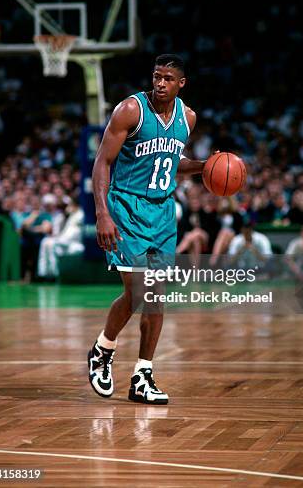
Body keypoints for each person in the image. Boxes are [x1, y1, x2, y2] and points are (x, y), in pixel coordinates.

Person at [88, 54, 204, 405]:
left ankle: (143, 374)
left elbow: (170, 162)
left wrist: (204, 166)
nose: (160, 83)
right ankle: (103, 350)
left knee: (155, 295)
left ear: (181, 83)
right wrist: (102, 213)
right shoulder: (130, 110)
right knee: (138, 290)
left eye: (168, 78)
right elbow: (102, 162)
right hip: (126, 207)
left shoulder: (188, 117)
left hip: (163, 212)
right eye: (157, 77)